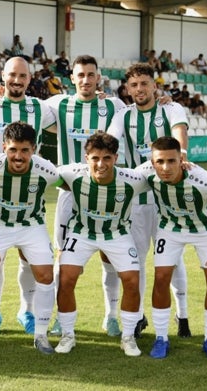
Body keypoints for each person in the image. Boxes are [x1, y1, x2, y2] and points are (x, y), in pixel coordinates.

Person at [107, 62, 192, 339]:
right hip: (138, 202)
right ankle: (140, 315)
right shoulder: (123, 115)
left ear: (154, 85)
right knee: (138, 260)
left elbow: (180, 134)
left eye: (144, 83)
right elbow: (110, 141)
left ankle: (183, 316)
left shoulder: (171, 108)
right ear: (127, 89)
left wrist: (182, 154)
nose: (139, 89)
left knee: (173, 259)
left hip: (169, 199)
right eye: (134, 85)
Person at [0, 57, 56, 336]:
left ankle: (26, 310)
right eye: (12, 75)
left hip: (30, 197)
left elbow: (72, 114)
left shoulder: (41, 107)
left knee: (28, 260)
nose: (17, 80)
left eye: (22, 75)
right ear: (2, 76)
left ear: (30, 79)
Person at [44, 55, 126, 337]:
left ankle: (111, 316)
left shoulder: (113, 105)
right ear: (72, 78)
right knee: (63, 257)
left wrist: (163, 101)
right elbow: (26, 111)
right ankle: (60, 317)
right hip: (69, 192)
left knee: (109, 254)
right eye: (81, 75)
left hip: (104, 192)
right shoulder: (58, 104)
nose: (86, 80)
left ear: (98, 78)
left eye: (91, 75)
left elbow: (133, 119)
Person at [137, 136, 207, 360]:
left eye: (171, 161)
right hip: (170, 228)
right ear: (152, 162)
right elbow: (121, 180)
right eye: (160, 161)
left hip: (205, 228)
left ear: (181, 159)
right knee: (162, 277)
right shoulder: (145, 173)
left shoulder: (203, 180)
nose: (165, 168)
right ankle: (161, 338)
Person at [55, 132, 148, 357]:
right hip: (82, 232)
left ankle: (128, 337)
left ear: (116, 158)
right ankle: (68, 334)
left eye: (107, 158)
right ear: (86, 158)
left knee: (132, 280)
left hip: (117, 234)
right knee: (65, 277)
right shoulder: (70, 174)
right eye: (95, 158)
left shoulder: (134, 179)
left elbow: (161, 172)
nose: (101, 163)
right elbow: (38, 171)